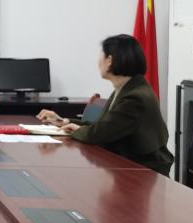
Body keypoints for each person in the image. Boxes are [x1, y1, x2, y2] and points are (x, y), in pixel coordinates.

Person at [37, 34, 174, 175]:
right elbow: (105, 126)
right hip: (129, 165)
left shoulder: (134, 98)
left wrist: (74, 130)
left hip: (144, 172)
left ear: (109, 60)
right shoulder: (127, 88)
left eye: (100, 56)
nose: (98, 61)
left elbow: (97, 134)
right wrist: (63, 121)